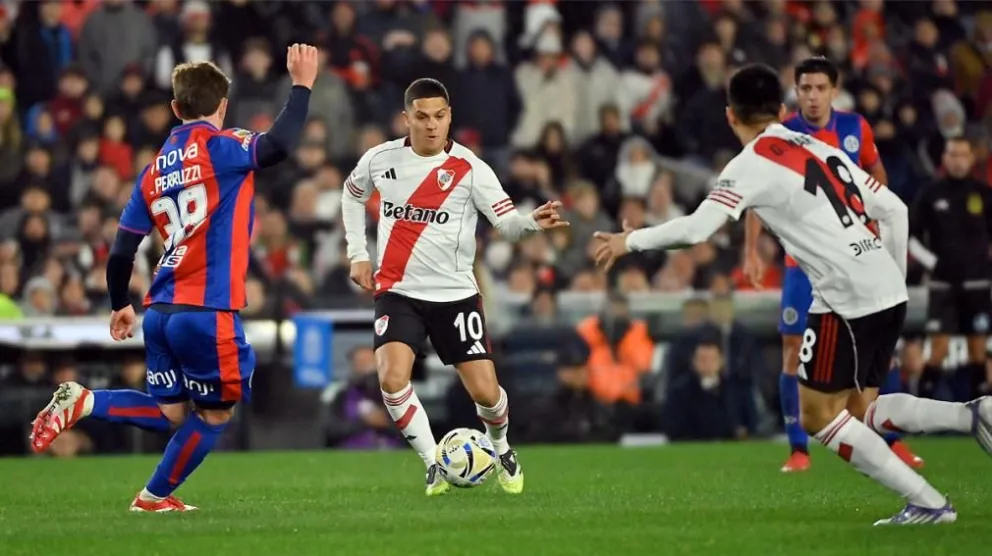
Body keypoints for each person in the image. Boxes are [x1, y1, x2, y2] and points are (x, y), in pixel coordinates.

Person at [593, 63, 992, 526]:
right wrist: (891, 279)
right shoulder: (820, 147)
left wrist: (630, 240)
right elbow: (894, 209)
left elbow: (697, 230)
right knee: (861, 410)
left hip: (845, 296)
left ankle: (928, 502)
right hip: (884, 285)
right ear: (783, 110)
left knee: (818, 416)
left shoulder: (749, 164)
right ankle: (974, 414)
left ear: (730, 115)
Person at [28, 45, 319, 512]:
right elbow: (279, 146)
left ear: (174, 108)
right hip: (207, 308)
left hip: (160, 311)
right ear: (222, 106)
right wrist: (302, 85)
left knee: (172, 413)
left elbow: (122, 250)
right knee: (215, 414)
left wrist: (119, 303)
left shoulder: (153, 171)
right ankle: (152, 497)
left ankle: (86, 403)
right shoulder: (225, 147)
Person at [342, 77, 567, 497]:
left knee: (486, 392)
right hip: (398, 291)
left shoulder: (471, 169)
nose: (431, 125)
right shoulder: (379, 159)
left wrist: (532, 223)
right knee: (391, 379)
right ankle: (432, 463)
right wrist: (358, 252)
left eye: (439, 116)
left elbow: (507, 224)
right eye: (422, 117)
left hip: (455, 296)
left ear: (450, 118)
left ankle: (502, 449)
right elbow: (352, 194)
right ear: (406, 118)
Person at [742, 56, 921, 473]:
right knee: (792, 350)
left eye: (820, 88)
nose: (813, 96)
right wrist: (750, 251)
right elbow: (756, 194)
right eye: (805, 88)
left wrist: (871, 221)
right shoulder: (782, 134)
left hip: (853, 260)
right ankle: (798, 449)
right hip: (801, 263)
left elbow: (876, 174)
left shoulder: (856, 128)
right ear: (796, 91)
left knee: (881, 350)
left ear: (834, 91)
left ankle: (891, 441)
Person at [909, 137, 992, 399]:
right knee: (939, 349)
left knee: (978, 351)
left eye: (963, 155)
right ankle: (920, 409)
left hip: (977, 284)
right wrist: (934, 264)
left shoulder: (984, 194)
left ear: (971, 158)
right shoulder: (930, 193)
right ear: (944, 158)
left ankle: (981, 414)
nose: (958, 161)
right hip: (942, 285)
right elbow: (911, 238)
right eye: (953, 155)